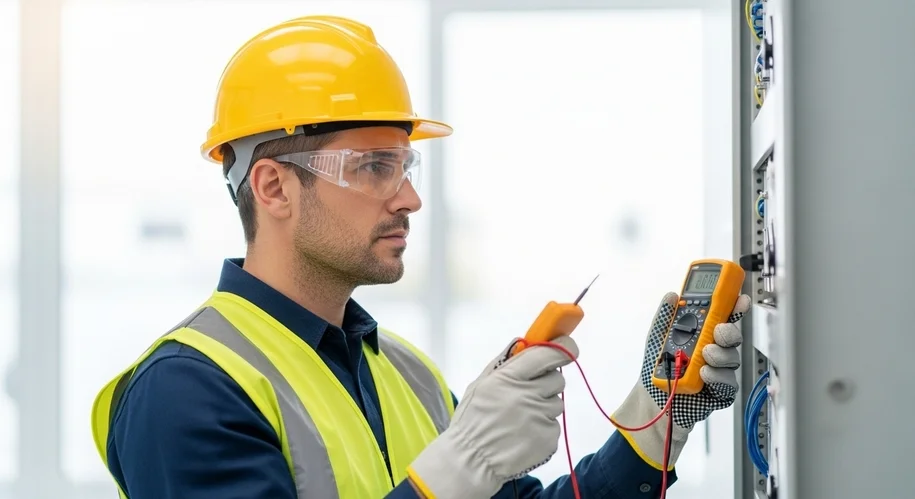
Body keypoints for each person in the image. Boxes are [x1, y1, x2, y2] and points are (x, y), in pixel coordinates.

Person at [89, 15, 750, 499]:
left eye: (406, 165)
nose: (408, 197)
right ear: (272, 186)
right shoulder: (185, 390)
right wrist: (457, 466)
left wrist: (659, 415)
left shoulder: (407, 373)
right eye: (373, 166)